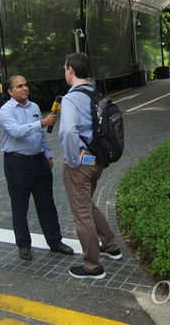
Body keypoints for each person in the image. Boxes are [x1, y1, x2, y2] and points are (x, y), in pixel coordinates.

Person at [58, 52, 122, 280]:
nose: (65, 71)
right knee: (87, 205)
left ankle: (92, 266)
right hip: (97, 162)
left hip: (81, 165)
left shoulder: (71, 98)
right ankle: (111, 245)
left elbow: (67, 131)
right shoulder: (95, 93)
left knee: (81, 213)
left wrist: (73, 159)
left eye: (65, 68)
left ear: (71, 71)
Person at [0, 75, 74, 261]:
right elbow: (16, 131)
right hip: (17, 163)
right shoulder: (5, 111)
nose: (24, 88)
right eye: (19, 86)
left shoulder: (34, 107)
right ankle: (24, 245)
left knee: (47, 204)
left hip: (39, 161)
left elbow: (41, 135)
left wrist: (47, 154)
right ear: (10, 91)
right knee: (20, 206)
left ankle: (55, 241)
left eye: (26, 85)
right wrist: (41, 122)